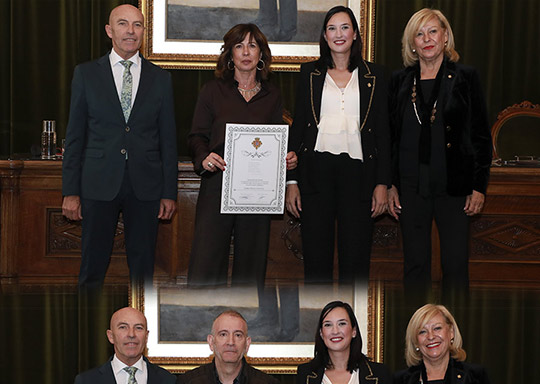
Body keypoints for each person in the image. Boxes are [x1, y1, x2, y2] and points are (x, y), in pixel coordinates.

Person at [62, 3, 177, 287]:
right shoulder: (86, 74)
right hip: (98, 183)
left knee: (143, 270)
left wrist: (169, 192)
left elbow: (168, 139)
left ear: (143, 32)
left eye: (137, 25)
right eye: (123, 24)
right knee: (92, 266)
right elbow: (75, 136)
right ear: (109, 30)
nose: (130, 31)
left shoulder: (161, 79)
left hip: (146, 186)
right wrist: (70, 191)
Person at [387, 7, 492, 290]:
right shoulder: (399, 81)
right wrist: (390, 184)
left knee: (455, 265)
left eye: (433, 31)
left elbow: (481, 136)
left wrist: (479, 186)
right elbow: (391, 139)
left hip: (455, 187)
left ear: (445, 37)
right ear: (412, 44)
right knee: (415, 265)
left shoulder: (466, 77)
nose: (427, 39)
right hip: (411, 187)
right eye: (419, 34)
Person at [286, 6, 390, 283]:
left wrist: (383, 183)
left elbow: (383, 133)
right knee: (316, 261)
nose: (338, 34)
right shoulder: (309, 74)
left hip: (359, 174)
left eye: (345, 27)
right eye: (332, 28)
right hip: (315, 172)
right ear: (324, 35)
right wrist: (291, 181)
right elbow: (298, 128)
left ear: (355, 34)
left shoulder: (376, 76)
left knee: (355, 260)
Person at [187, 25, 295, 287]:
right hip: (217, 184)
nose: (246, 52)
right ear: (230, 54)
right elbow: (196, 136)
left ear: (261, 54)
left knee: (251, 267)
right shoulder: (212, 90)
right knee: (206, 264)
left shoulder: (273, 95)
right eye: (239, 46)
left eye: (252, 45)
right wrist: (204, 157)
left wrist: (286, 158)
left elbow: (276, 141)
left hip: (256, 194)